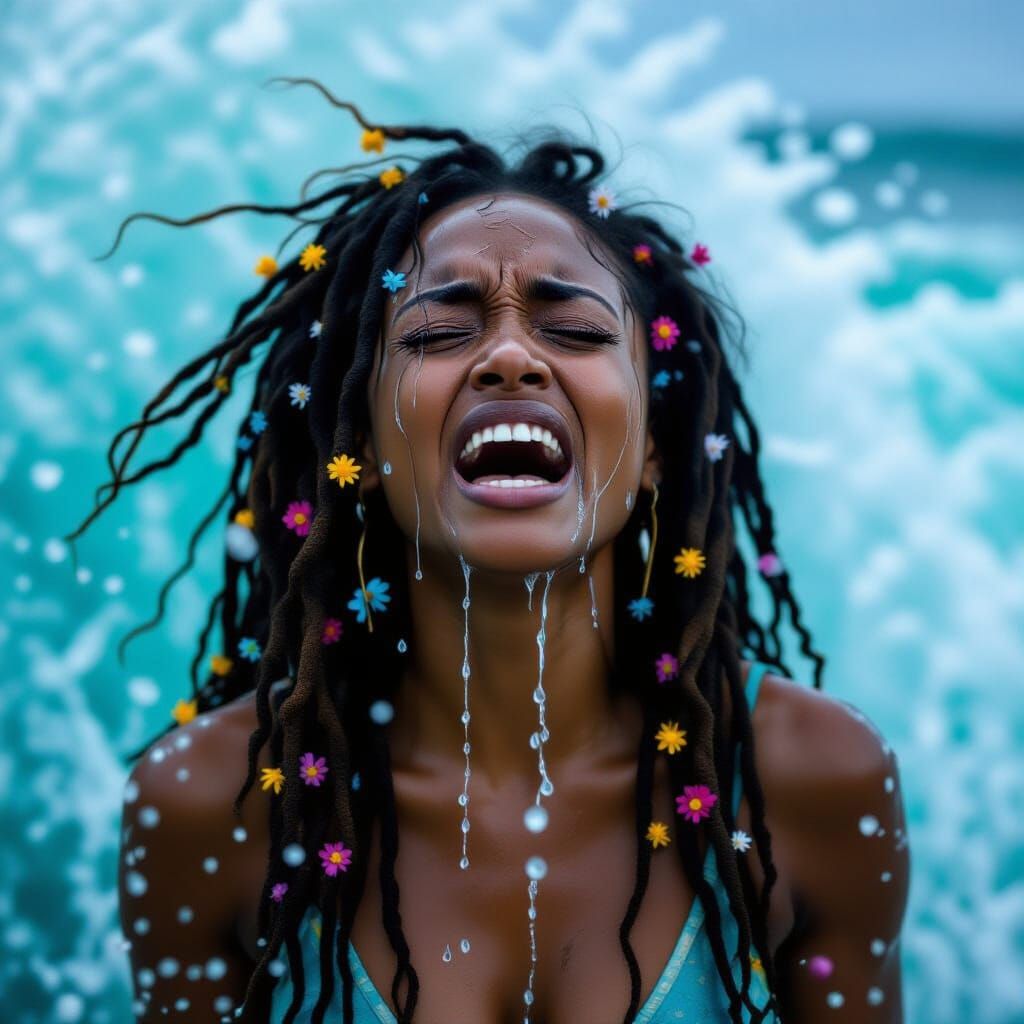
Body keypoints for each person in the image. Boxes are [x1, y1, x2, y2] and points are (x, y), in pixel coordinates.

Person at [68, 83, 910, 1024]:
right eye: (436, 331)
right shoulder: (213, 808)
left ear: (658, 444)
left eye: (579, 330)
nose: (511, 357)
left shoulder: (806, 779)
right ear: (366, 439)